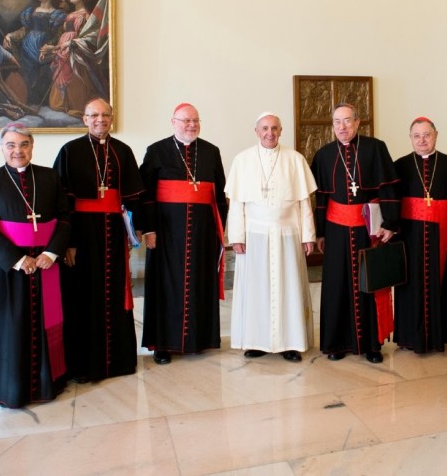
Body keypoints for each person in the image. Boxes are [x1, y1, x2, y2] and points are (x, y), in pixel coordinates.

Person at [0, 124, 71, 408]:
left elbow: (64, 218)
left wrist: (51, 253)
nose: (18, 150)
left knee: (46, 321)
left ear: (32, 146)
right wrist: (16, 259)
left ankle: (48, 382)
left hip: (45, 264)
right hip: (5, 270)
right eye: (11, 145)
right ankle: (10, 386)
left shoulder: (50, 177)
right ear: (2, 148)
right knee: (9, 326)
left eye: (23, 144)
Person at [53, 99, 144, 382]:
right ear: (84, 119)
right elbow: (61, 201)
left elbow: (132, 199)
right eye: (94, 115)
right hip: (80, 234)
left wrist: (134, 231)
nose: (100, 120)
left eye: (105, 115)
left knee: (115, 293)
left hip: (114, 234)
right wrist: (67, 242)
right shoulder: (70, 151)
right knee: (82, 296)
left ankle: (119, 361)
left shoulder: (123, 151)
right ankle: (82, 365)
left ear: (112, 118)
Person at [139, 104, 228, 364]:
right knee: (165, 285)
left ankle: (199, 340)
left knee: (199, 282)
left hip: (203, 232)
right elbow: (145, 195)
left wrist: (220, 228)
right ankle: (163, 344)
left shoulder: (211, 151)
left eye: (195, 121)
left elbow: (219, 194)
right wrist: (150, 229)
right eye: (186, 121)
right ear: (173, 122)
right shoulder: (156, 151)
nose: (191, 125)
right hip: (166, 233)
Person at [310, 103, 399, 363]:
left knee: (368, 283)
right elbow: (321, 198)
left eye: (347, 121)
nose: (342, 127)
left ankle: (372, 344)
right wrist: (320, 232)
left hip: (368, 229)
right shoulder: (324, 154)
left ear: (358, 122)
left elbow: (389, 188)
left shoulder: (375, 148)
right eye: (337, 122)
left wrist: (390, 224)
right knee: (337, 282)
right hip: (336, 229)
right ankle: (336, 343)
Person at [225, 113, 317, 362]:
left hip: (288, 233)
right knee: (256, 289)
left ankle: (290, 343)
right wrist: (236, 236)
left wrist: (308, 235)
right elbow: (236, 204)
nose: (270, 133)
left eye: (274, 128)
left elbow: (304, 203)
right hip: (254, 235)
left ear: (281, 130)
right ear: (256, 131)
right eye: (265, 128)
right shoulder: (242, 160)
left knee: (289, 288)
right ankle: (256, 342)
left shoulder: (295, 159)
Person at [392, 117, 447, 354]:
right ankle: (408, 336)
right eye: (416, 136)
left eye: (427, 135)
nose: (422, 140)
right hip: (409, 235)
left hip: (440, 234)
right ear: (410, 138)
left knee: (437, 282)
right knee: (409, 283)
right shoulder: (400, 165)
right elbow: (393, 202)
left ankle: (437, 336)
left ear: (436, 135)